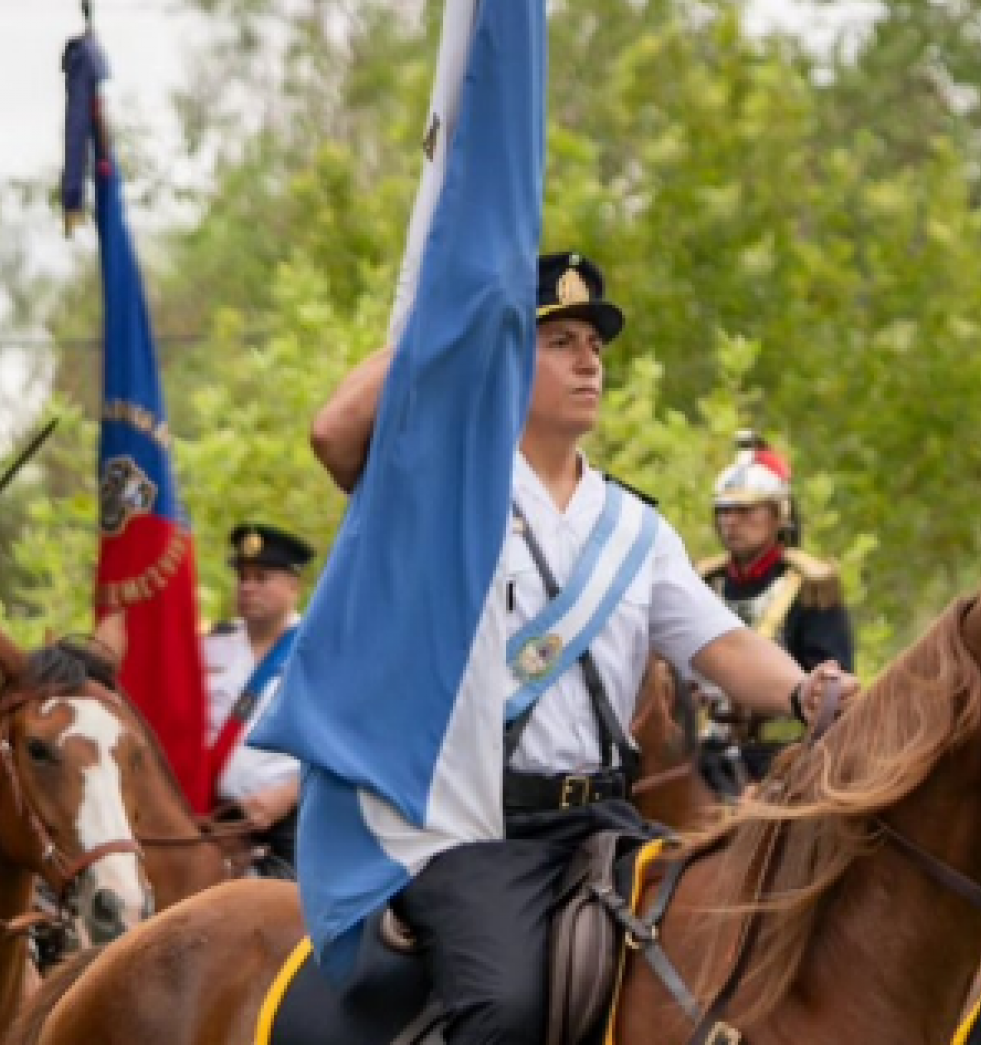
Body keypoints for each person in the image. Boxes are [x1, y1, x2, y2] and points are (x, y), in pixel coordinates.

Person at [303, 251, 861, 1044]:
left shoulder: (632, 526)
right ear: (506, 357)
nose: (588, 361)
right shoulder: (447, 495)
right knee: (506, 1011)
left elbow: (724, 644)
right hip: (478, 833)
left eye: (594, 345)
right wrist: (450, 313)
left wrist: (808, 694)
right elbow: (334, 437)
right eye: (559, 340)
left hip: (608, 820)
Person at [697, 429, 854, 788]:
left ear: (777, 514)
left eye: (745, 509)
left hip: (787, 757)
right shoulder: (704, 581)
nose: (730, 521)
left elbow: (833, 687)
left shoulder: (810, 584)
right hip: (708, 752)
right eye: (723, 510)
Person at [203, 523, 314, 875]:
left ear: (293, 586)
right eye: (243, 577)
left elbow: (345, 742)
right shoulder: (210, 646)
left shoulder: (320, 650)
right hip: (212, 819)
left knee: (291, 920)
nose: (248, 587)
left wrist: (288, 795)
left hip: (288, 821)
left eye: (262, 578)